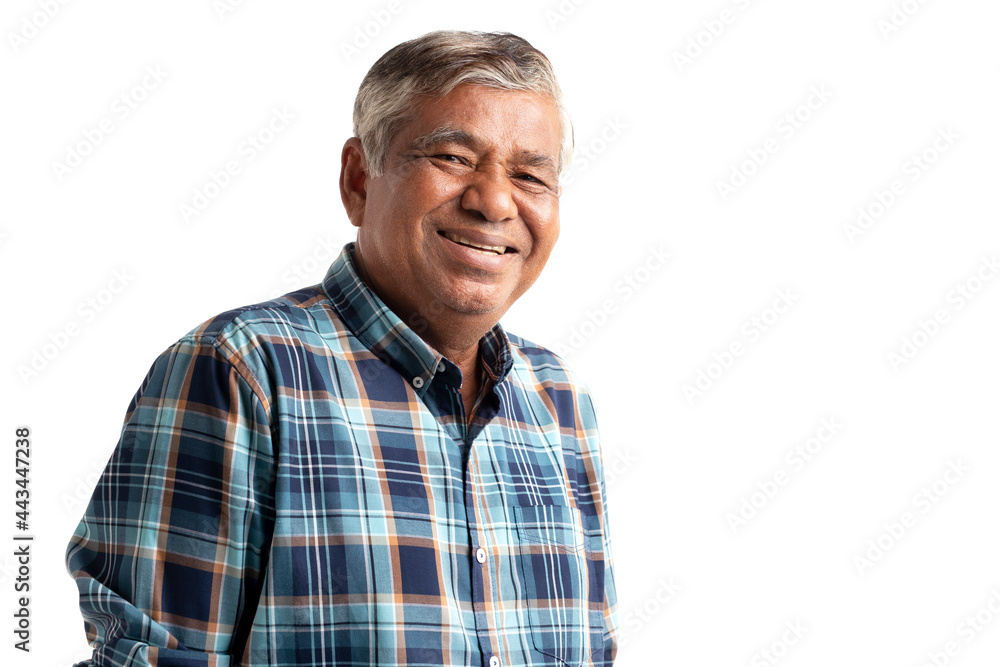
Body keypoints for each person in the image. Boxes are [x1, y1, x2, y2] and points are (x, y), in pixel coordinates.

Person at [66, 30, 618, 667]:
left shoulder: (560, 402)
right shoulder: (242, 371)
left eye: (529, 176)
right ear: (358, 179)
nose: (494, 201)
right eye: (453, 157)